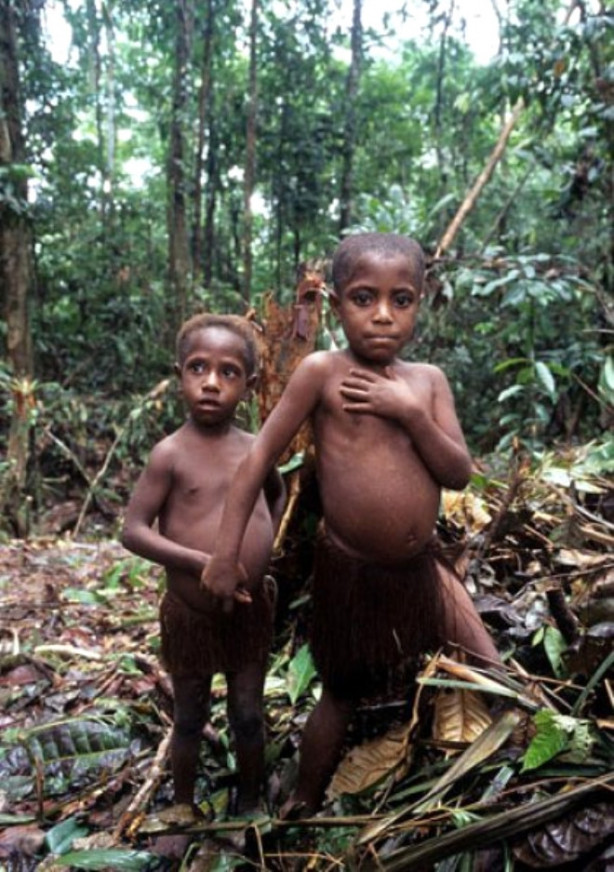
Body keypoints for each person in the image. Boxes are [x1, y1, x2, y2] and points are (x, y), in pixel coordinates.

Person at [201, 233, 501, 816]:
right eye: (364, 299)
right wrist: (223, 552)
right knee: (340, 691)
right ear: (336, 306)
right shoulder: (321, 372)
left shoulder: (428, 383)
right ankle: (306, 799)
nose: (383, 315)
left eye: (401, 299)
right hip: (352, 572)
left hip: (423, 568)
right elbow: (257, 460)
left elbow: (458, 473)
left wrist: (409, 413)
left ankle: (508, 770)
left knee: (492, 670)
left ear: (420, 303)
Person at [122, 313, 285, 825]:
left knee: (248, 714)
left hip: (248, 610)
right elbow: (133, 529)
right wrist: (202, 562)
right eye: (198, 368)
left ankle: (252, 802)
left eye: (229, 372)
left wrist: (263, 550)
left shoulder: (256, 450)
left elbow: (277, 493)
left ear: (250, 385)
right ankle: (182, 803)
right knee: (190, 716)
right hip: (190, 616)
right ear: (180, 375)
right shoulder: (169, 454)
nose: (211, 383)